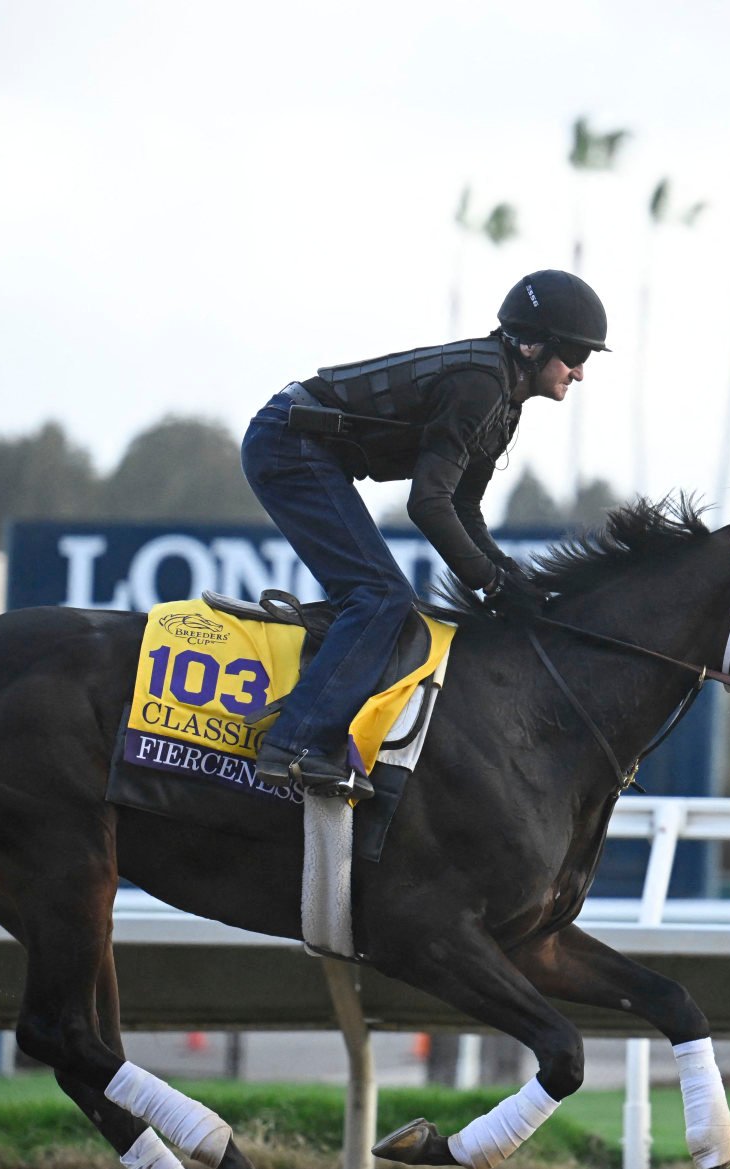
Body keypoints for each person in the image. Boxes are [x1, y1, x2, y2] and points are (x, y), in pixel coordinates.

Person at [241, 269, 609, 798]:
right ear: (532, 346)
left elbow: (464, 506)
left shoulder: (504, 398)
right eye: (576, 357)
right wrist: (490, 582)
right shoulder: (480, 385)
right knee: (380, 596)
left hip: (308, 446)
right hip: (288, 443)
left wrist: (510, 578)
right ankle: (294, 744)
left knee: (381, 595)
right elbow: (427, 503)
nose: (579, 373)